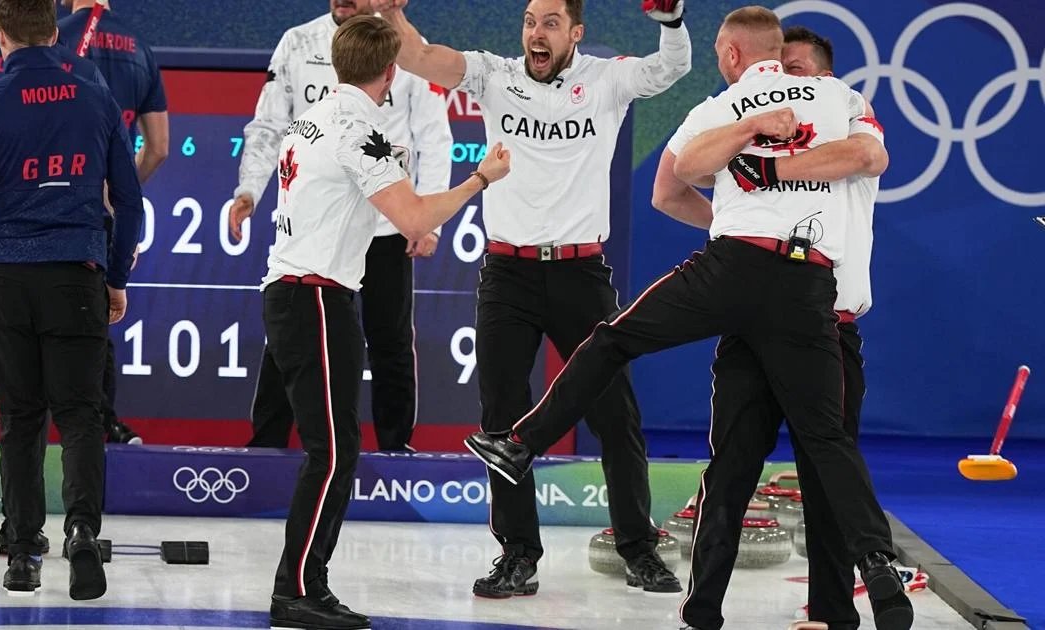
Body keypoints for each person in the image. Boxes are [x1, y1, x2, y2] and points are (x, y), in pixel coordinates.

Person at [463, 7, 911, 630]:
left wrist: (760, 162)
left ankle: (523, 444)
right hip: (810, 293)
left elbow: (682, 176)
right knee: (819, 447)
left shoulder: (722, 106)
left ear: (729, 55)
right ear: (779, 55)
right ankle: (875, 571)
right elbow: (869, 154)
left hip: (742, 275)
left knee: (623, 349)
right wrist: (757, 144)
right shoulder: (843, 99)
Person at [372, 0, 691, 596]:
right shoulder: (495, 75)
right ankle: (518, 555)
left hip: (581, 274)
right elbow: (415, 56)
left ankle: (638, 550)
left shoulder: (605, 80)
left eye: (549, 24)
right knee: (501, 416)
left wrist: (670, 23)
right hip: (507, 275)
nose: (535, 34)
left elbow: (670, 68)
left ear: (576, 33)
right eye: (528, 22)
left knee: (614, 414)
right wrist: (390, 11)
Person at [239, 16, 510, 629]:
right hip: (313, 296)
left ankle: (308, 584)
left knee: (333, 449)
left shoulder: (310, 119)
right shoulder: (357, 127)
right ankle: (297, 591)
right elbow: (413, 218)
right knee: (332, 452)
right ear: (391, 73)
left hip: (297, 290)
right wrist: (479, 179)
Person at [652, 25, 896, 630]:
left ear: (824, 76)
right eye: (777, 71)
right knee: (731, 466)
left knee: (826, 472)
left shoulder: (848, 117)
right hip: (755, 321)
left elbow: (869, 158)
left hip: (830, 326)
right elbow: (668, 188)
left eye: (799, 72)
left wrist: (769, 168)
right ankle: (703, 605)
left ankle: (834, 613)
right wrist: (740, 240)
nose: (785, 87)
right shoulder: (761, 123)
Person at [0, 0, 144, 600]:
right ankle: (84, 535)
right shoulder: (95, 97)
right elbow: (130, 202)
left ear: (1, 34)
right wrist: (116, 277)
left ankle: (20, 553)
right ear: (51, 29)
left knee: (19, 418)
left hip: (7, 278)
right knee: (82, 415)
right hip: (77, 275)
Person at [229, 0, 452, 452]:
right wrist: (249, 188)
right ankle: (266, 446)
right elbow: (270, 124)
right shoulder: (297, 42)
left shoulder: (408, 49)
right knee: (290, 339)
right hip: (318, 222)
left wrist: (427, 224)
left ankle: (394, 447)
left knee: (389, 337)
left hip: (386, 224)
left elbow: (433, 136)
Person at [58, 0, 170, 445]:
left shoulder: (53, 37)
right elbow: (159, 145)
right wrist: (118, 191)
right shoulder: (139, 46)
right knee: (92, 321)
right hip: (99, 213)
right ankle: (98, 428)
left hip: (41, 198)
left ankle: (19, 433)